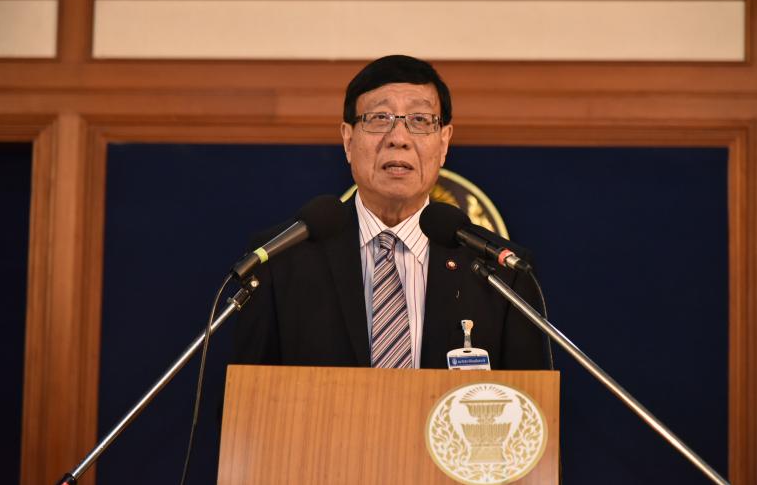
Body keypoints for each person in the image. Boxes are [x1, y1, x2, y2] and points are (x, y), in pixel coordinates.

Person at [230, 55, 549, 370]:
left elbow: (529, 400)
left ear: (444, 143)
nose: (398, 139)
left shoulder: (504, 273)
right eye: (379, 118)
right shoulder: (279, 260)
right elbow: (247, 395)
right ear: (348, 140)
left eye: (420, 120)